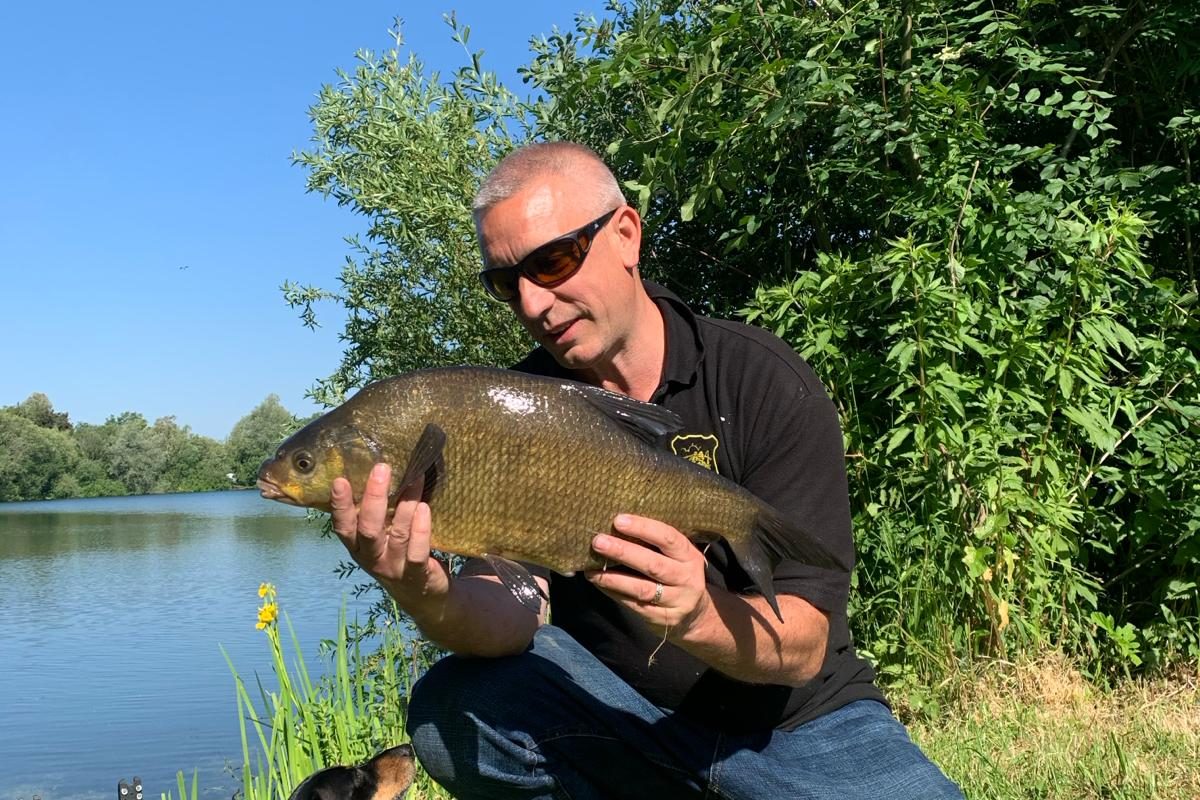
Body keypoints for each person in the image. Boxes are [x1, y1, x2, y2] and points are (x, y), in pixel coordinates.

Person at [329, 141, 962, 799]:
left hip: (798, 723)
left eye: (553, 261)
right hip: (623, 718)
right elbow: (515, 606)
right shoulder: (514, 408)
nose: (533, 304)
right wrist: (425, 592)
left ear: (626, 234)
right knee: (450, 709)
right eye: (505, 283)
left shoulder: (760, 381)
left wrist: (697, 615)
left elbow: (804, 648)